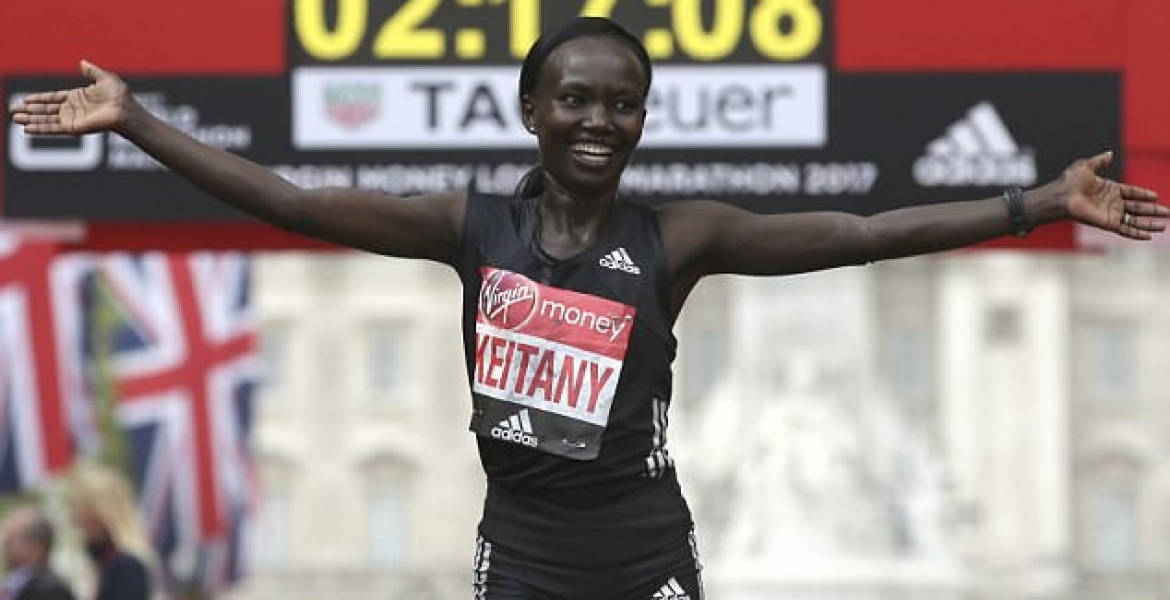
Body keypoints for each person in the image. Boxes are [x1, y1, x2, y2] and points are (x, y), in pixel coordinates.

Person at [11, 16, 1164, 600]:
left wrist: (1037, 203)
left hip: (643, 554)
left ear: (643, 123)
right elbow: (294, 202)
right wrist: (134, 120)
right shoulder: (469, 227)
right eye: (577, 99)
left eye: (624, 104)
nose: (600, 119)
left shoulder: (679, 238)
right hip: (518, 558)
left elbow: (864, 236)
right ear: (532, 111)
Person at [63, 464, 152, 600]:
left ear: (97, 510)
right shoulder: (103, 560)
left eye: (78, 506)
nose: (73, 517)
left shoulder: (126, 564)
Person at [0, 506, 77, 600]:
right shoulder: (14, 585)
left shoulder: (52, 590)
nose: (5, 545)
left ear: (37, 547)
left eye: (12, 538)